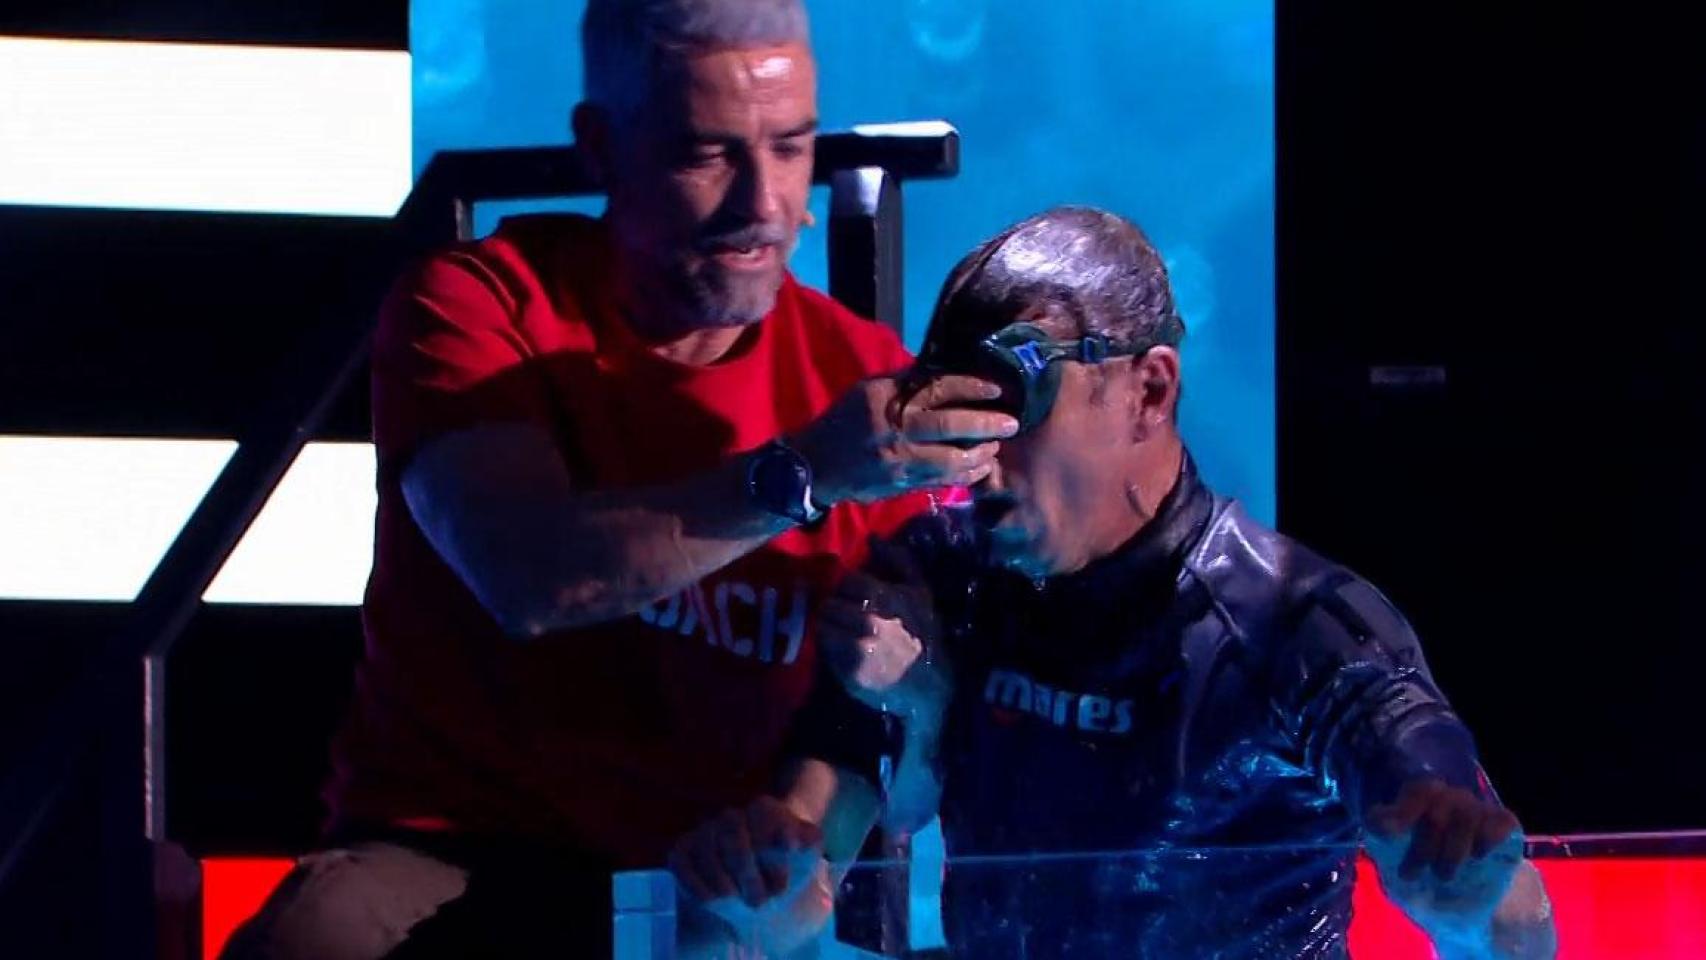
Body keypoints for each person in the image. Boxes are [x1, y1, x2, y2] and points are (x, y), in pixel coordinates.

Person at [221, 2, 1018, 957]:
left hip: (703, 891)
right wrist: (802, 471)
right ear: (603, 148)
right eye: (708, 154)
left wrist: (797, 829)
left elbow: (870, 718)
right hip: (451, 852)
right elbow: (530, 574)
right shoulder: (481, 305)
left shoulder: (860, 376)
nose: (765, 204)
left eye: (790, 147)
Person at [672, 207, 1559, 958]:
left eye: (1014, 409)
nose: (976, 464)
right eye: (956, 417)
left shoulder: (1291, 627)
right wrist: (755, 888)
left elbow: (1502, 898)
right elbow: (799, 867)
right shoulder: (938, 584)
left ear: (1150, 392)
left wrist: (1468, 901)